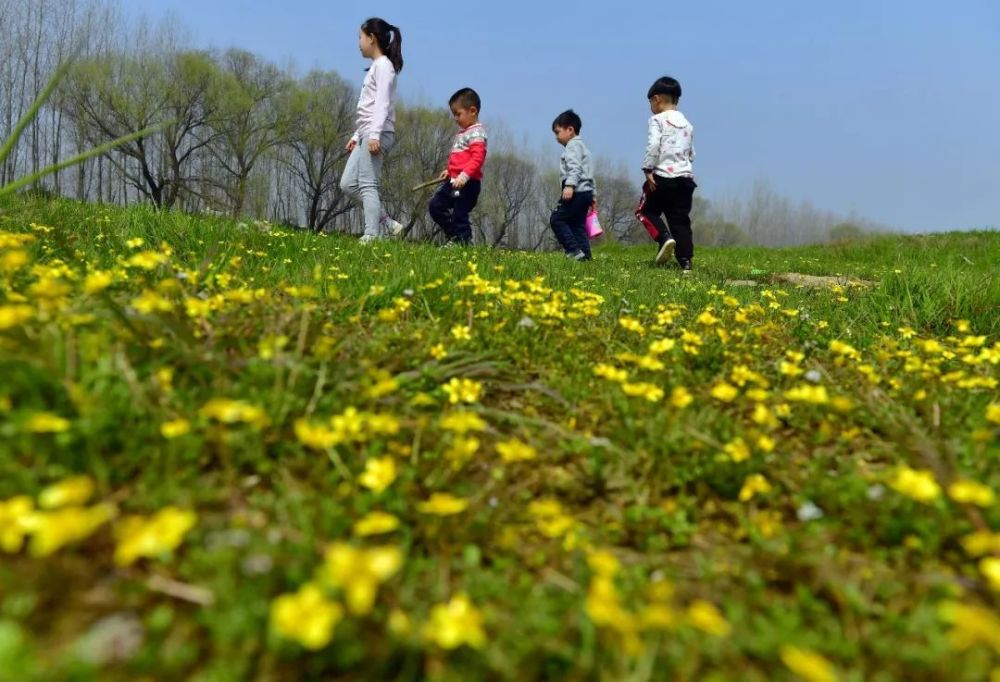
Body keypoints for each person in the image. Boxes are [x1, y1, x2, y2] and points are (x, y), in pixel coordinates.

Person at [339, 17, 404, 244]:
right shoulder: (375, 68)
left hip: (379, 133)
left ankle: (372, 234)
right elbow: (367, 109)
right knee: (347, 184)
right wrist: (357, 135)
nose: (359, 42)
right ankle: (386, 221)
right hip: (367, 132)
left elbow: (382, 104)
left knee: (367, 183)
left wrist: (374, 135)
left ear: (372, 38)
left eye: (360, 37)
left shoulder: (384, 66)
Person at [635, 76, 697, 271]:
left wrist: (647, 168)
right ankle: (685, 261)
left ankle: (664, 238)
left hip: (662, 177)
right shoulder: (688, 124)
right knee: (680, 220)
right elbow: (691, 153)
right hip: (685, 179)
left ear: (657, 99)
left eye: (650, 102)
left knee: (645, 211)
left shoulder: (657, 120)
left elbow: (654, 145)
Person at [428, 88, 488, 246]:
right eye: (453, 114)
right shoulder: (463, 133)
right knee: (436, 206)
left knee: (459, 215)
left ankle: (463, 242)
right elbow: (461, 158)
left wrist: (463, 176)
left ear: (472, 111)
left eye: (458, 114)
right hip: (454, 180)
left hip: (467, 183)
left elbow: (477, 158)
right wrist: (449, 171)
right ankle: (455, 237)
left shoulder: (477, 133)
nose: (455, 118)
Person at [549, 110, 596, 261]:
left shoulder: (572, 146)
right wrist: (593, 195)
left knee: (557, 219)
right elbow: (589, 172)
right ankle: (585, 257)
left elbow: (575, 168)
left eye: (557, 132)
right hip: (586, 192)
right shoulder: (584, 148)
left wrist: (569, 185)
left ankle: (573, 251)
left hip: (576, 191)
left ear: (570, 130)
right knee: (577, 225)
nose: (556, 137)